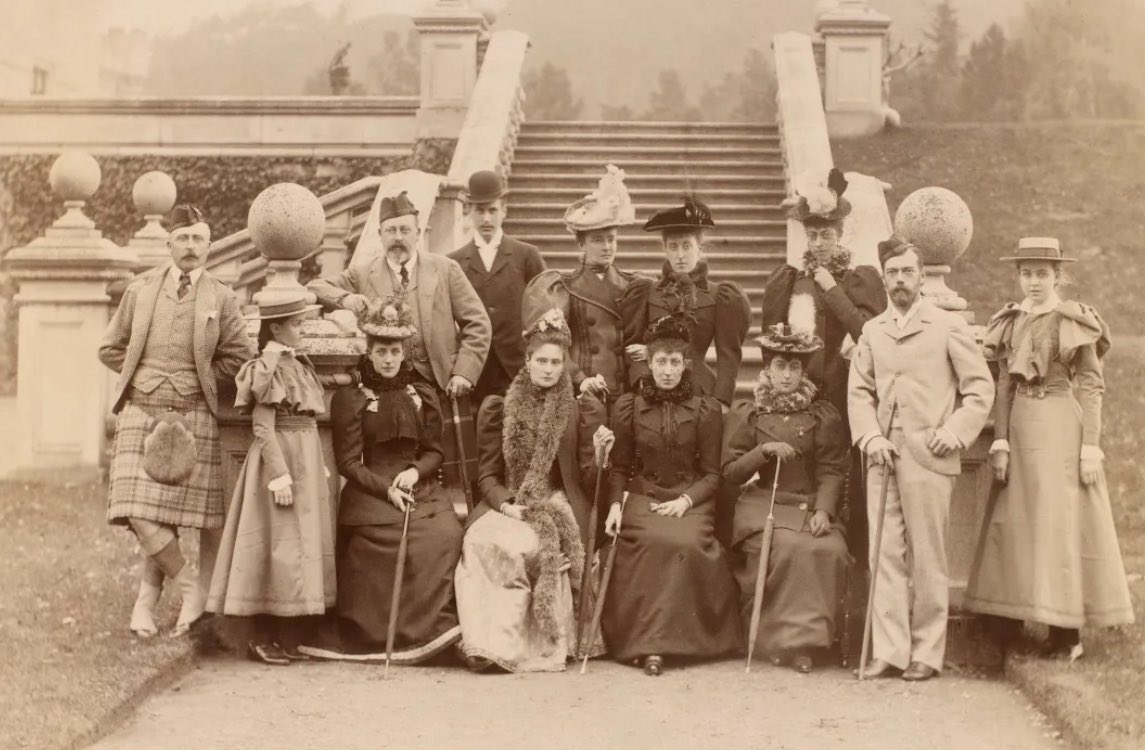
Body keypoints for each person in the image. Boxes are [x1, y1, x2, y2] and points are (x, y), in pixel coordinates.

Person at [964, 237, 1134, 660]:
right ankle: (1009, 619)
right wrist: (1000, 439)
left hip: (1060, 425)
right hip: (1020, 427)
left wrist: (1090, 447)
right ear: (1018, 276)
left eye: (1042, 274)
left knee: (1059, 523)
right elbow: (1004, 382)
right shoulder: (1012, 319)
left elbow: (1091, 384)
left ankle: (1066, 634)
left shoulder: (1070, 320)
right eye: (1027, 273)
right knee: (1015, 519)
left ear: (1058, 276)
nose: (1034, 282)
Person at [99, 203, 254, 638]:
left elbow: (240, 357)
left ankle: (144, 607)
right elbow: (110, 347)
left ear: (209, 245)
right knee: (137, 511)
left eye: (198, 239)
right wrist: (140, 378)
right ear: (169, 243)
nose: (190, 246)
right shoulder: (140, 290)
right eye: (183, 238)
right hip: (140, 413)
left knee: (165, 515)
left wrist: (199, 378)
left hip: (193, 415)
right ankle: (190, 590)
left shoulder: (221, 297)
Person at [848, 236, 994, 681]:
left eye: (907, 272)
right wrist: (871, 437)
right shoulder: (873, 331)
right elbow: (859, 391)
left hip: (930, 454)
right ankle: (890, 651)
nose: (899, 281)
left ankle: (927, 653)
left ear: (921, 276)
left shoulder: (945, 325)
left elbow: (979, 389)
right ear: (885, 279)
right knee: (885, 553)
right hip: (883, 456)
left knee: (928, 556)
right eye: (892, 273)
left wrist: (954, 432)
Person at [300, 293, 464, 663]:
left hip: (419, 484)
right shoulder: (352, 397)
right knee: (377, 540)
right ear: (369, 352)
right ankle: (375, 632)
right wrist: (386, 489)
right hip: (370, 487)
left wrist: (414, 471)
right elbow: (347, 462)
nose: (388, 359)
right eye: (380, 352)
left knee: (442, 535)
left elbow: (436, 452)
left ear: (404, 351)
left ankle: (434, 630)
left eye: (394, 351)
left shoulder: (421, 393)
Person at [454, 308, 605, 672]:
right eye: (542, 361)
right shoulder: (499, 406)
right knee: (480, 542)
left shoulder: (576, 410)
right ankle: (486, 643)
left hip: (557, 498)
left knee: (528, 547)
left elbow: (586, 477)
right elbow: (488, 476)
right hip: (509, 500)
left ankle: (522, 646)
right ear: (527, 360)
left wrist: (600, 455)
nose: (550, 369)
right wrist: (507, 507)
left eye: (556, 362)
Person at [307, 190, 491, 485]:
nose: (398, 237)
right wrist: (345, 299)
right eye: (391, 230)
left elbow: (478, 323)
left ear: (418, 233)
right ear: (379, 234)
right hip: (387, 387)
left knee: (447, 467)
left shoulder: (445, 270)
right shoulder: (363, 273)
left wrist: (463, 373)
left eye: (405, 229)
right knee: (395, 461)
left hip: (440, 382)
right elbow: (316, 285)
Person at [759, 168, 885, 589]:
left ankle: (850, 577)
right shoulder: (790, 280)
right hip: (802, 400)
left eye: (827, 234)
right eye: (813, 235)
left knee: (845, 480)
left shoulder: (860, 279)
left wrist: (831, 287)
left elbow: (867, 332)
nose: (820, 243)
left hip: (848, 398)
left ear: (841, 232)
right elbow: (772, 344)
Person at [594, 314, 741, 676]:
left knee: (687, 544)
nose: (667, 371)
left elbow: (712, 474)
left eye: (675, 363)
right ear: (649, 363)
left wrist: (686, 501)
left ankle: (683, 641)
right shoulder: (628, 406)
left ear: (686, 365)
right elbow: (620, 468)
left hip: (690, 498)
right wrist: (614, 506)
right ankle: (645, 644)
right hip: (643, 496)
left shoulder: (705, 409)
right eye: (660, 362)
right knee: (647, 542)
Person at [206, 290, 335, 664]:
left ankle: (288, 637)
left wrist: (317, 463)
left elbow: (308, 418)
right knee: (276, 547)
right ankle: (261, 637)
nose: (302, 329)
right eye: (296, 323)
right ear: (276, 327)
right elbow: (262, 427)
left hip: (305, 460)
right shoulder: (266, 365)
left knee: (298, 549)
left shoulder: (296, 363)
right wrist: (279, 476)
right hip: (279, 462)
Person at [722, 324, 850, 674]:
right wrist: (762, 451)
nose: (787, 375)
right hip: (764, 504)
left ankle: (807, 642)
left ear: (803, 371)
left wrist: (824, 508)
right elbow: (730, 471)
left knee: (829, 549)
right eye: (780, 366)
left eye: (794, 367)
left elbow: (832, 469)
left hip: (808, 505)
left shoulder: (820, 415)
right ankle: (780, 641)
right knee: (792, 548)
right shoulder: (751, 412)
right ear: (767, 369)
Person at [522, 164, 639, 405]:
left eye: (611, 239)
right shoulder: (562, 288)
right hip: (583, 393)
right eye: (597, 240)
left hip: (627, 396)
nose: (606, 247)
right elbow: (552, 345)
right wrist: (579, 377)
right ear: (581, 244)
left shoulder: (634, 285)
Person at [620, 196, 751, 407]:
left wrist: (721, 402)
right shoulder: (646, 292)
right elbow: (631, 349)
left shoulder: (721, 296)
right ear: (664, 248)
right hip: (652, 392)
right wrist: (640, 384)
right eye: (673, 246)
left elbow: (729, 357)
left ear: (700, 248)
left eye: (687, 246)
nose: (680, 255)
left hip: (698, 395)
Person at [448, 170, 546, 407]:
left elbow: (544, 312)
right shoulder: (454, 262)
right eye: (479, 211)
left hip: (518, 366)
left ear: (505, 210)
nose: (486, 219)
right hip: (475, 370)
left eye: (492, 210)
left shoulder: (526, 256)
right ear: (468, 212)